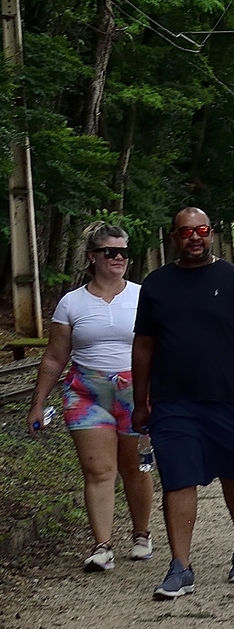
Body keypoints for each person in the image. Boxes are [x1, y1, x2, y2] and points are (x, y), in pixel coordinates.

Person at [131, 207, 234, 600]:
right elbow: (143, 346)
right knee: (178, 478)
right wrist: (140, 401)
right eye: (185, 231)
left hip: (229, 397)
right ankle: (180, 566)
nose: (194, 237)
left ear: (210, 234)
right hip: (173, 401)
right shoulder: (157, 284)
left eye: (202, 230)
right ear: (174, 238)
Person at [27, 223, 155, 572]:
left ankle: (141, 534)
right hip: (87, 394)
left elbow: (162, 347)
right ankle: (102, 546)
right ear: (92, 257)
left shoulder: (143, 296)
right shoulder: (72, 302)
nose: (118, 258)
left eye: (123, 252)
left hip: (135, 392)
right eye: (110, 252)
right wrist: (38, 403)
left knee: (136, 467)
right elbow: (55, 357)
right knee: (98, 469)